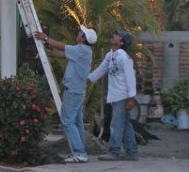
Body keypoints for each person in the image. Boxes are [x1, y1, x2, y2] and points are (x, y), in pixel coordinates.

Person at [34, 24, 97, 163]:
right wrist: (50, 53)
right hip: (77, 91)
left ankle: (79, 152)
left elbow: (62, 47)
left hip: (73, 91)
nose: (79, 32)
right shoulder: (83, 51)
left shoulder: (81, 50)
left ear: (83, 38)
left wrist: (46, 38)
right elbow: (63, 54)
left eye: (81, 32)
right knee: (77, 122)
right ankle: (81, 152)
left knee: (67, 121)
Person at [88, 30, 139, 161]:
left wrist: (131, 97)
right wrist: (89, 78)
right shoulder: (110, 55)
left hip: (121, 95)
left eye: (117, 36)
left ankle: (114, 151)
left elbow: (130, 77)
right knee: (125, 123)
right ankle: (131, 152)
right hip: (115, 95)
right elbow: (102, 68)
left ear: (121, 42)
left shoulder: (123, 56)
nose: (113, 36)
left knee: (116, 124)